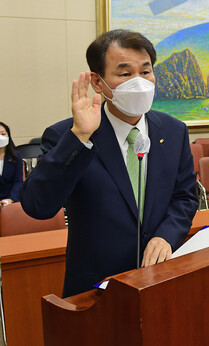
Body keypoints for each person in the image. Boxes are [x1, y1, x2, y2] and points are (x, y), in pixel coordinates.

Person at [20, 29, 199, 297]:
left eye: (146, 71)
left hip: (162, 277)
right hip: (97, 287)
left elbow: (185, 197)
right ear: (97, 82)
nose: (139, 82)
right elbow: (37, 206)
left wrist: (166, 235)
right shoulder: (66, 135)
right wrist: (79, 137)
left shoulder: (173, 131)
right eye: (125, 74)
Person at [0, 122, 23, 206]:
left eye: (3, 134)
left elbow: (18, 181)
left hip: (11, 201)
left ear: (8, 136)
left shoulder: (16, 156)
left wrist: (11, 199)